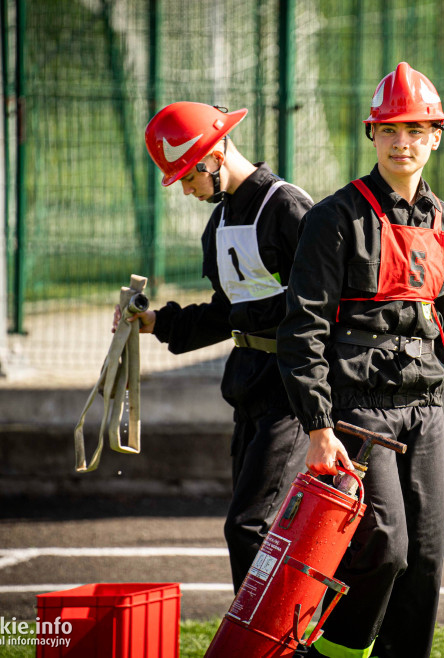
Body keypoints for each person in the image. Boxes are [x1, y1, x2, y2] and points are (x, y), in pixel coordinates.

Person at [276, 62, 444, 658]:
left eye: (416, 130)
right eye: (391, 130)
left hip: (424, 413)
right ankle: (330, 654)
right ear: (372, 135)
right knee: (385, 548)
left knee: (424, 560)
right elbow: (305, 330)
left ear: (435, 137)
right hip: (356, 414)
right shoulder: (334, 219)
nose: (404, 142)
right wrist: (318, 427)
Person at [118, 101, 313, 590]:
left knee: (250, 527)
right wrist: (156, 322)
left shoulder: (288, 208)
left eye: (187, 176)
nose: (185, 188)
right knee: (252, 529)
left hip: (292, 393)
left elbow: (325, 310)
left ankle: (272, 643)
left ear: (213, 156)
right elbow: (227, 312)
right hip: (247, 389)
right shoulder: (221, 222)